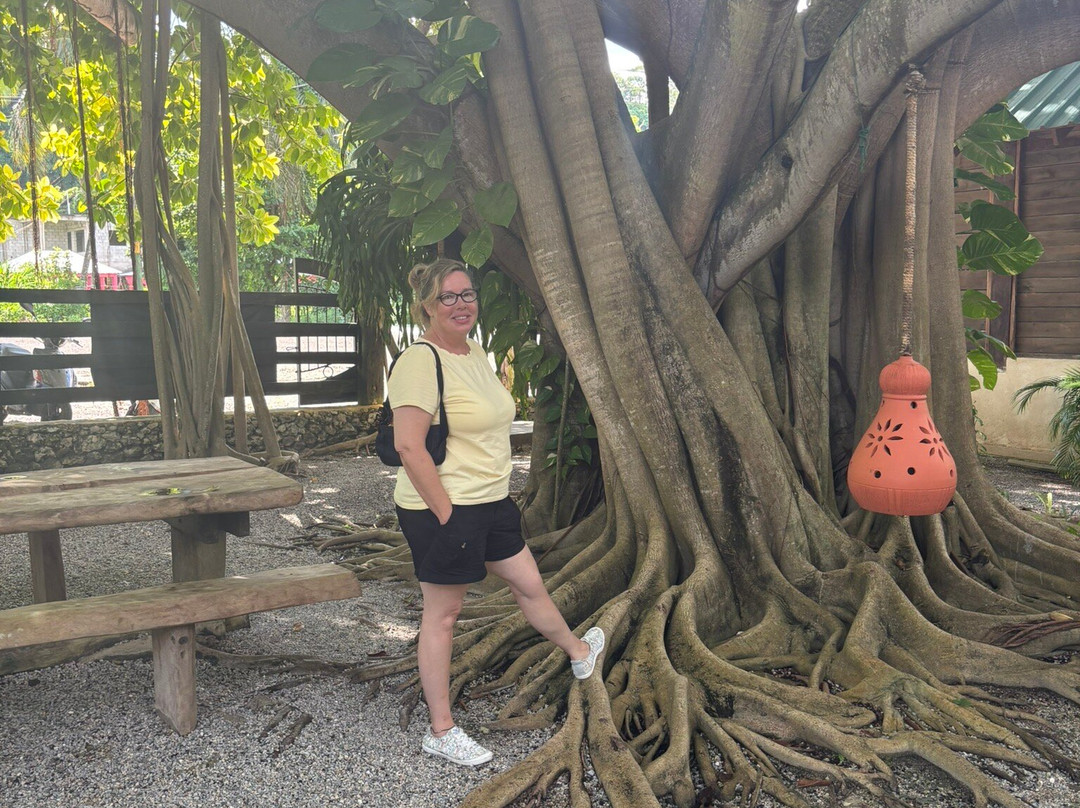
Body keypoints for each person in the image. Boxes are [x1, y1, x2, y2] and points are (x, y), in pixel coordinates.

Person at [389, 258, 605, 767]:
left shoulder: (473, 351)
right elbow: (408, 447)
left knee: (529, 585)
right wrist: (448, 517)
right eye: (448, 297)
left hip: (491, 502)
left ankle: (579, 654)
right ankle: (441, 730)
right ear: (427, 305)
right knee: (444, 615)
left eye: (468, 294)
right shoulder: (419, 361)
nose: (461, 304)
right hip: (444, 508)